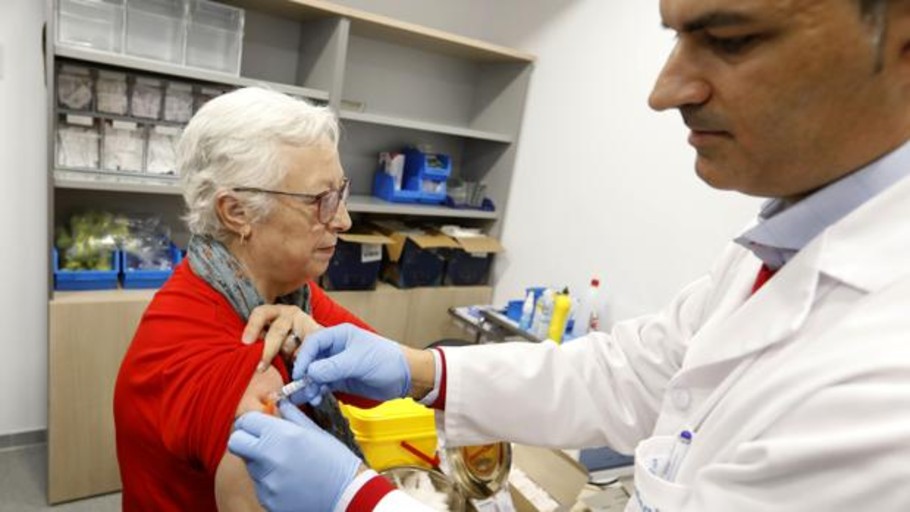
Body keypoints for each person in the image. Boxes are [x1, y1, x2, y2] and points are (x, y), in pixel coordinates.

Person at [229, 0, 910, 511]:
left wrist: (357, 499)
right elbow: (630, 375)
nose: (664, 91)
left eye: (731, 40)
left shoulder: (886, 383)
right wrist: (422, 370)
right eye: (676, 38)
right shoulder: (781, 242)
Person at [113, 86, 378, 511]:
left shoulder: (287, 295)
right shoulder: (231, 368)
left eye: (341, 193)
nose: (343, 220)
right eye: (321, 201)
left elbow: (381, 387)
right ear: (237, 212)